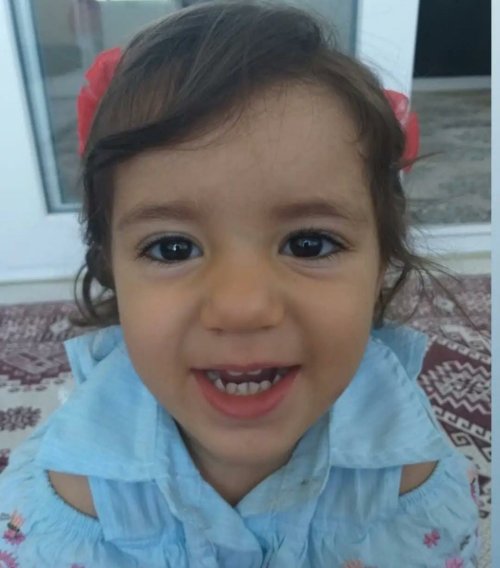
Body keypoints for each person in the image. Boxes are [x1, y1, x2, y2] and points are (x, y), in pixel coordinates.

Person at [0, 2, 480, 566]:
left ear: (381, 265)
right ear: (111, 270)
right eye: (172, 248)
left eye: (309, 244)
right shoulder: (64, 500)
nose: (242, 306)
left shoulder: (412, 476)